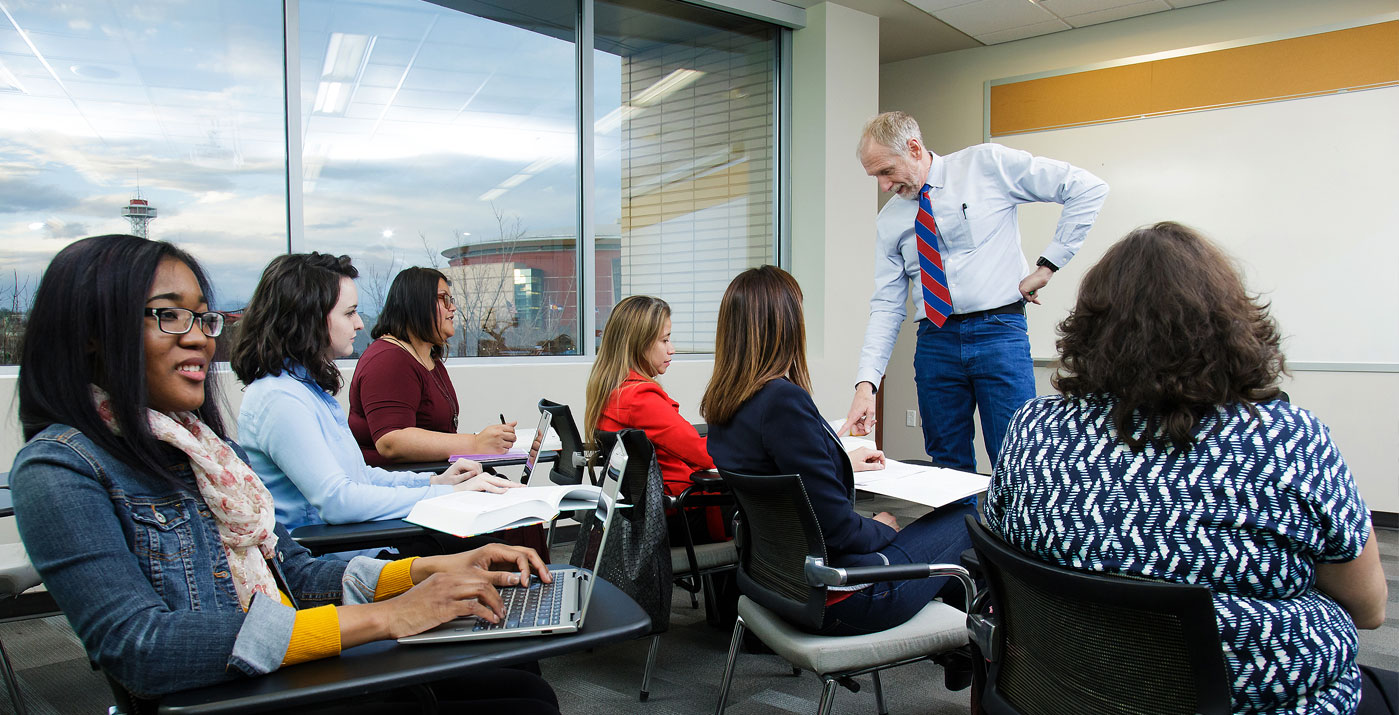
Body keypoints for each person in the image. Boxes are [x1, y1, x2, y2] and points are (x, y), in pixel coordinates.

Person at [9, 235, 558, 711]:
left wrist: (432, 569)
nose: (201, 336)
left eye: (204, 317)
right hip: (236, 693)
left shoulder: (207, 451)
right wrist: (389, 618)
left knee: (518, 681)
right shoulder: (60, 468)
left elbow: (294, 574)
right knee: (520, 697)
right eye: (167, 315)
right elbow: (143, 648)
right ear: (90, 333)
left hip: (285, 664)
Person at [985, 222, 1393, 715]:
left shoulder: (1032, 428)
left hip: (1062, 692)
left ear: (1090, 328)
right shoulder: (1285, 441)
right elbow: (1370, 610)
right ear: (1229, 325)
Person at [703, 265, 975, 635]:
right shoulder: (782, 402)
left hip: (778, 583)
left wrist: (841, 462)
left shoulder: (724, 405)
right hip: (843, 595)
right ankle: (974, 646)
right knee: (962, 518)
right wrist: (882, 528)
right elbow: (838, 531)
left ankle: (961, 648)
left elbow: (777, 471)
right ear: (784, 325)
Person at [842, 110, 1109, 473]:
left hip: (998, 331)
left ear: (914, 149)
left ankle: (1012, 531)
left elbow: (1085, 187)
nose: (884, 186)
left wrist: (1048, 266)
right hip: (935, 341)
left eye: (886, 172)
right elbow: (887, 306)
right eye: (876, 177)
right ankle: (958, 532)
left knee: (1016, 459)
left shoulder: (986, 165)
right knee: (947, 465)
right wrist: (866, 384)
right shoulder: (890, 221)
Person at [231, 253, 519, 537]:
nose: (359, 323)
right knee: (498, 533)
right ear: (308, 318)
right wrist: (448, 493)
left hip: (361, 539)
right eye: (349, 313)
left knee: (498, 511)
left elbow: (361, 476)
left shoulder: (307, 390)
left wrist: (437, 482)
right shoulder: (280, 400)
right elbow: (338, 502)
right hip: (336, 558)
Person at [584, 295, 724, 540]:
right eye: (664, 340)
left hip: (645, 515)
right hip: (678, 513)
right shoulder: (640, 398)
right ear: (638, 343)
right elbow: (704, 455)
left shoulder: (611, 391)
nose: (672, 349)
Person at [348, 267, 516, 467]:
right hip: (403, 485)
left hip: (435, 476)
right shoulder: (388, 360)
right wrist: (475, 443)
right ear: (416, 304)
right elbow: (391, 441)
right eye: (444, 299)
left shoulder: (426, 356)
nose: (452, 308)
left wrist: (494, 442)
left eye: (451, 301)